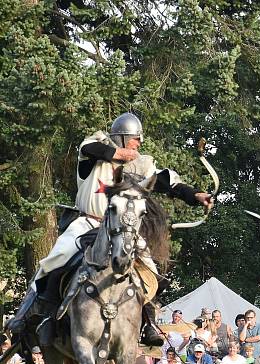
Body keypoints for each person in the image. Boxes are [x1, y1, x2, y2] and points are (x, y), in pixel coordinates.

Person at [7, 113, 213, 347]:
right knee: (54, 260)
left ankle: (149, 323)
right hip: (88, 223)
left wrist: (196, 195)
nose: (139, 144)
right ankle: (31, 316)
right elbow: (89, 147)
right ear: (123, 138)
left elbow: (168, 182)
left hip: (121, 230)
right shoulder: (93, 154)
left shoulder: (139, 165)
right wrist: (118, 154)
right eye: (135, 139)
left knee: (153, 273)